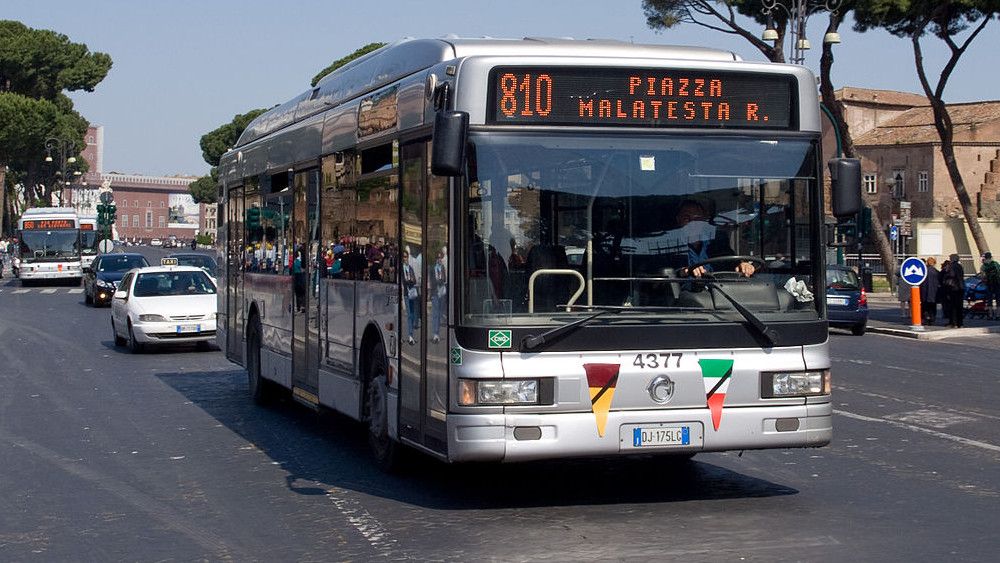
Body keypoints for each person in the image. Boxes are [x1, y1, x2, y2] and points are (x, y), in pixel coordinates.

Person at [672, 200, 755, 278]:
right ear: (678, 219)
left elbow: (731, 262)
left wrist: (743, 265)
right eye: (686, 218)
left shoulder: (718, 242)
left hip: (717, 290)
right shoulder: (667, 245)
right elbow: (664, 275)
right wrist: (683, 272)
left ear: (704, 220)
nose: (692, 223)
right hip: (684, 292)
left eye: (697, 219)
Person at [940, 253, 965, 328]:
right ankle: (960, 323)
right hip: (960, 288)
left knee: (952, 307)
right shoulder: (960, 266)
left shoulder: (950, 266)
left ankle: (953, 323)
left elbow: (950, 275)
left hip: (952, 288)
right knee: (959, 306)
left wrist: (945, 280)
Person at [401, 250, 419, 345]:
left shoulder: (410, 268)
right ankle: (410, 335)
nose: (405, 258)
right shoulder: (402, 268)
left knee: (412, 314)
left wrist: (411, 280)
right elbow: (404, 281)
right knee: (409, 315)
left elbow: (414, 280)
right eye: (404, 257)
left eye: (406, 257)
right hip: (406, 293)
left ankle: (411, 335)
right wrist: (409, 280)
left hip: (412, 293)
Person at [979, 252, 1000, 320]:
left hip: (989, 284)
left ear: (985, 257)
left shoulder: (983, 266)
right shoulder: (996, 264)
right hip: (997, 284)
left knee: (989, 300)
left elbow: (983, 277)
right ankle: (998, 315)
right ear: (991, 257)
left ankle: (990, 315)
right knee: (998, 300)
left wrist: (984, 281)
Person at [919, 257, 940, 325]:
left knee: (924, 306)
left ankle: (925, 318)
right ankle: (932, 319)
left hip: (924, 292)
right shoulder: (936, 272)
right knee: (932, 307)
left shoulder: (924, 271)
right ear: (934, 263)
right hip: (934, 292)